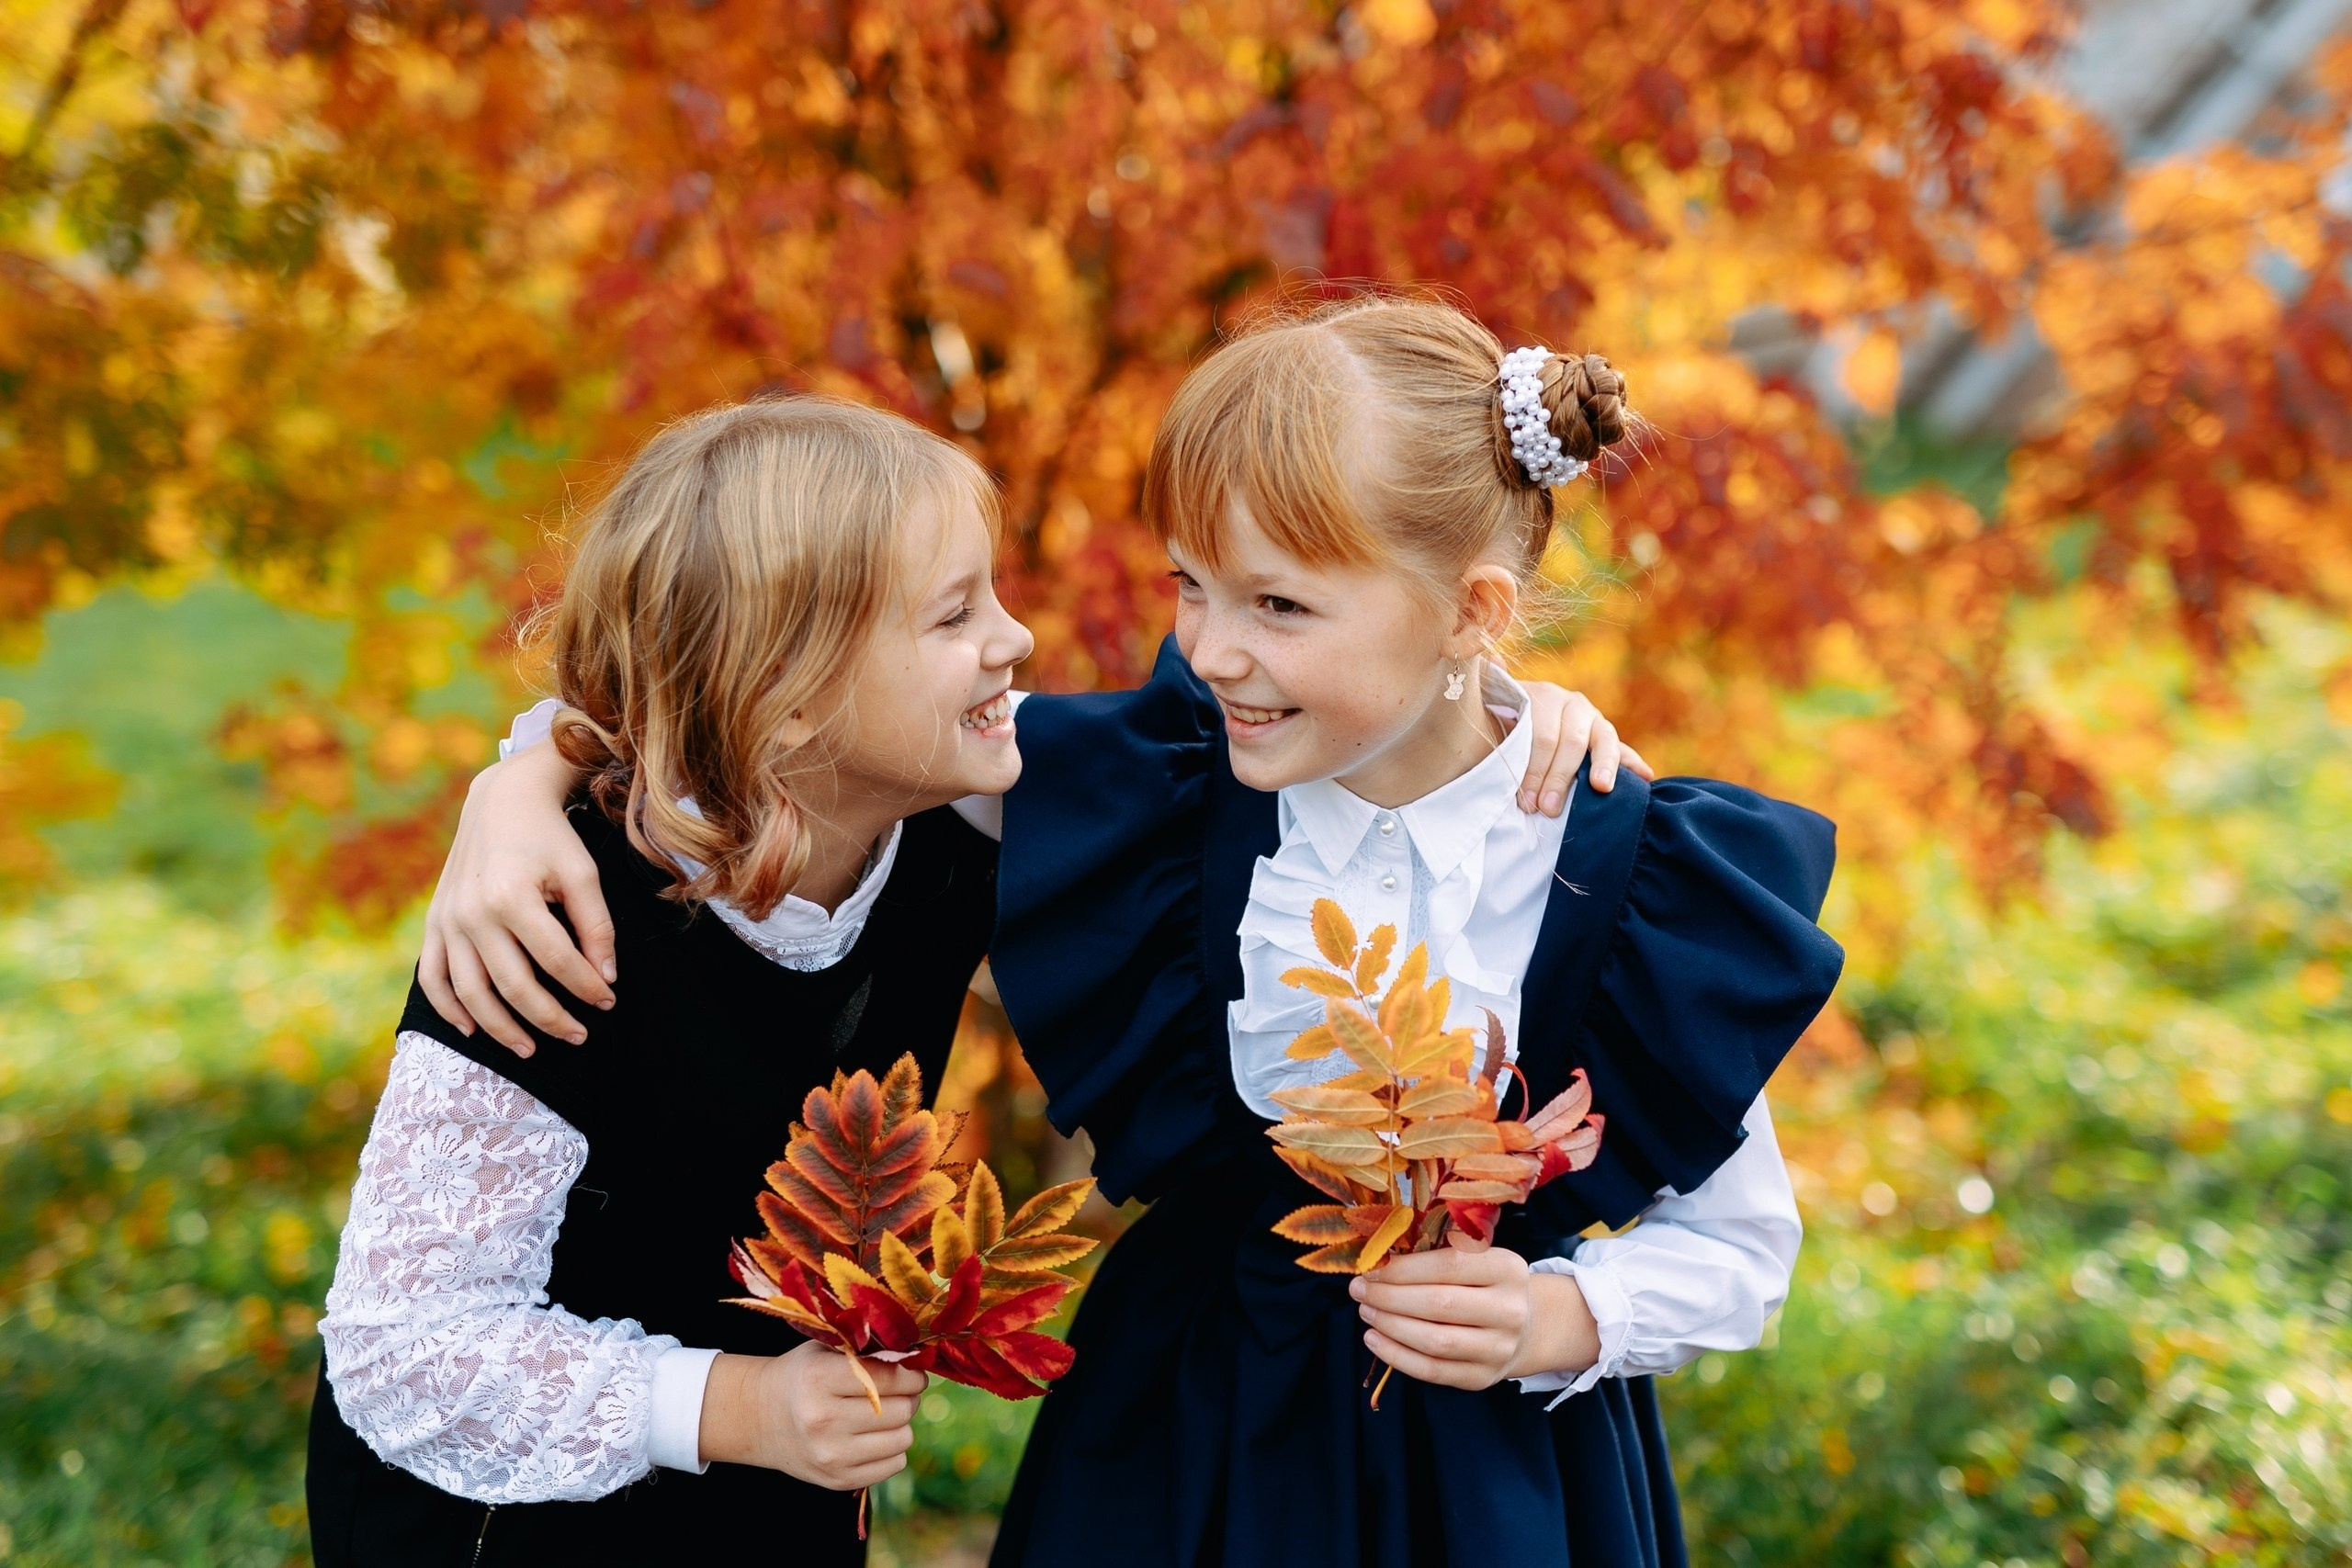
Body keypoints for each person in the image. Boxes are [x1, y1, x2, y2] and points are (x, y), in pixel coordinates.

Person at [419, 294, 1825, 1568]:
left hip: (1496, 1472)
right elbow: (784, 695)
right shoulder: (1157, 787)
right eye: (1191, 586)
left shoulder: (1620, 869)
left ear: (1475, 613)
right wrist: (527, 774)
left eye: (1279, 604)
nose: (1214, 650)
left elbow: (1741, 1241)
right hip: (1180, 1435)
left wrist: (1560, 1318)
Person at [306, 396, 1030, 1565]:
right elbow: (404, 1349)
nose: (1014, 641)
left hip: (771, 1505)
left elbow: (1198, 744)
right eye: (955, 614)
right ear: (790, 701)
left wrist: (519, 770)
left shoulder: (956, 798)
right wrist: (738, 1408)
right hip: (513, 1527)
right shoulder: (552, 926)